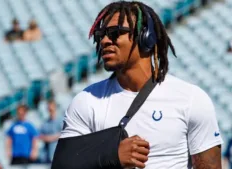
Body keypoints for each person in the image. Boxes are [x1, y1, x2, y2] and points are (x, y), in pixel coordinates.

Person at [59, 1, 223, 168]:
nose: (105, 41)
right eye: (102, 34)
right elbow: (62, 165)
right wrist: (112, 155)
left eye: (116, 33)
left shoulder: (191, 99)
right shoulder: (86, 101)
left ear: (146, 37)